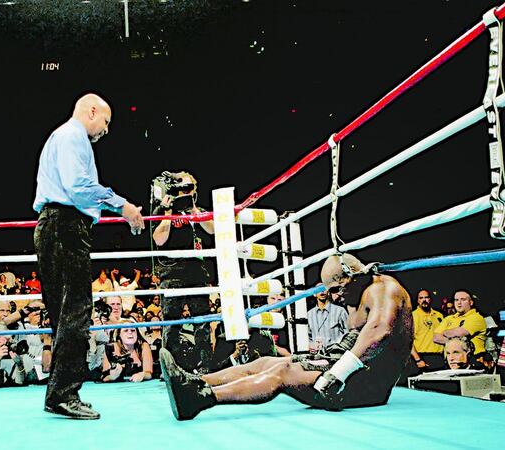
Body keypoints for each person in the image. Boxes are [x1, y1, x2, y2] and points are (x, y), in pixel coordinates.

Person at [159, 253, 413, 420]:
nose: (335, 297)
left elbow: (380, 331)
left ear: (353, 276)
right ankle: (193, 381)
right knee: (268, 362)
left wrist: (339, 372)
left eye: (337, 289)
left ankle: (200, 399)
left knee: (282, 374)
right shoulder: (358, 293)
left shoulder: (382, 289)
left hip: (364, 386)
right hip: (349, 366)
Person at [32, 93, 144, 420]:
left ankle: (59, 393)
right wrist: (120, 204)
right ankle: (64, 394)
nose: (106, 130)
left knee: (64, 314)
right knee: (76, 311)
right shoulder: (72, 136)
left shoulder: (62, 137)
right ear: (92, 111)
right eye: (105, 122)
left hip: (55, 226)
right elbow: (78, 186)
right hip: (65, 226)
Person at [151, 170, 215, 373]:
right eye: (180, 188)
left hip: (196, 270)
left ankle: (205, 367)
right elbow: (158, 239)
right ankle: (170, 369)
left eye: (188, 188)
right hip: (172, 271)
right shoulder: (162, 210)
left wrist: (195, 211)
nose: (184, 192)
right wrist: (168, 214)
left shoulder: (198, 210)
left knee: (203, 321)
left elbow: (212, 230)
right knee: (172, 323)